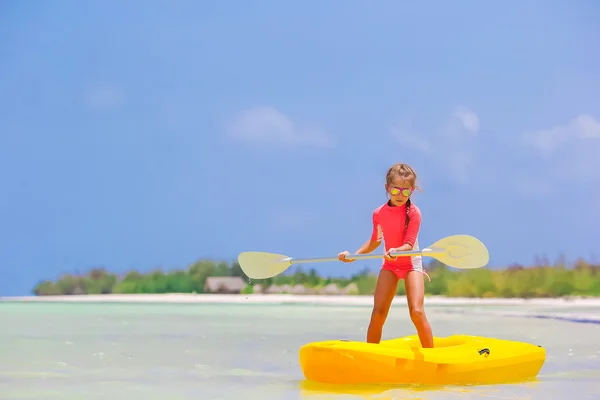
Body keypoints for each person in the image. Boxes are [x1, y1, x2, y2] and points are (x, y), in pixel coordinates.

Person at [337, 163, 434, 348]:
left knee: (416, 311)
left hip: (411, 264)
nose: (400, 195)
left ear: (412, 191)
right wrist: (354, 255)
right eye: (395, 190)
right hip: (390, 265)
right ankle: (371, 354)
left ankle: (433, 358)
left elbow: (409, 243)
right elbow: (375, 241)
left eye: (406, 191)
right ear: (387, 188)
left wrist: (397, 250)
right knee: (378, 313)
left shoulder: (414, 213)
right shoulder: (379, 213)